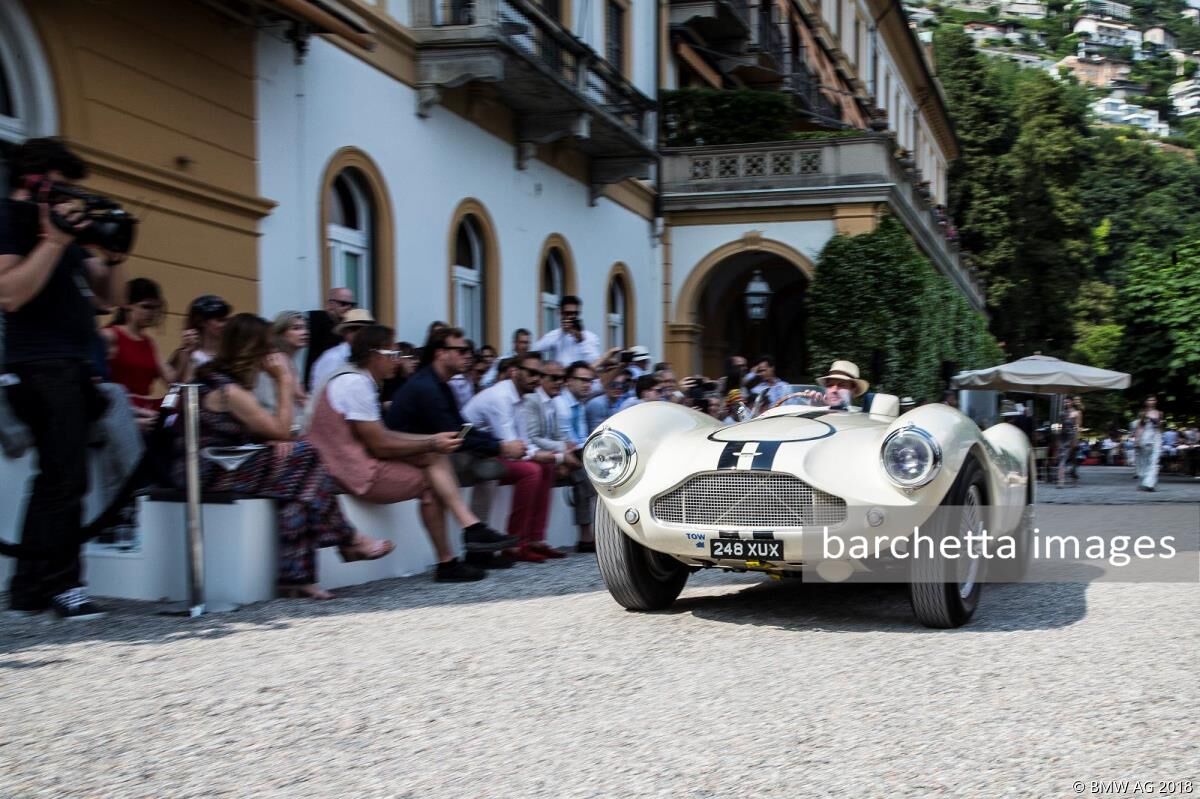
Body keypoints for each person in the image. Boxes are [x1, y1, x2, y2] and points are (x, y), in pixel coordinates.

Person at [177, 314, 395, 599]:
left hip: (219, 460)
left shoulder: (220, 377)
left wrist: (272, 438)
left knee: (299, 481)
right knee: (305, 458)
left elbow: (258, 431)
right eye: (268, 348)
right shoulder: (228, 388)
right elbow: (281, 429)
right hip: (207, 469)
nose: (273, 355)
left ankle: (297, 578)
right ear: (252, 349)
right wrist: (283, 380)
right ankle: (347, 539)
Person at [0, 137, 127, 619]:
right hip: (40, 365)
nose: (71, 196)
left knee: (54, 479)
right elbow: (10, 294)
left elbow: (108, 296)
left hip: (73, 367)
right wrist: (53, 239)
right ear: (36, 181)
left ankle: (29, 588)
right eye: (62, 185)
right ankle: (64, 585)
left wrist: (116, 251)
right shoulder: (10, 221)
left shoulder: (63, 235)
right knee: (66, 480)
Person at [307, 324, 517, 582]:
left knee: (434, 454)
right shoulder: (356, 384)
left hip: (347, 460)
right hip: (352, 469)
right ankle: (454, 551)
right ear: (375, 354)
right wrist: (431, 443)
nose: (398, 361)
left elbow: (383, 437)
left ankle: (466, 535)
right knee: (432, 480)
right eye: (393, 354)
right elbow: (380, 445)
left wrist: (431, 441)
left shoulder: (355, 379)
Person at [386, 328, 547, 563]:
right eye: (461, 350)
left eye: (468, 351)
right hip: (407, 454)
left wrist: (497, 445)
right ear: (441, 353)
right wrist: (501, 447)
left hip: (429, 451)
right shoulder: (427, 387)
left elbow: (462, 427)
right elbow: (455, 437)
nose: (468, 356)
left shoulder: (439, 384)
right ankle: (474, 534)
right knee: (480, 463)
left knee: (488, 467)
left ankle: (478, 546)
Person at [462, 351, 562, 562]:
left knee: (546, 467)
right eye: (531, 373)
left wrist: (548, 456)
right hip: (470, 455)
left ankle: (534, 539)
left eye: (539, 374)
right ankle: (515, 543)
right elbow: (510, 445)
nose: (536, 379)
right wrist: (541, 455)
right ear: (514, 372)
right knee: (532, 471)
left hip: (490, 452)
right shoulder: (501, 397)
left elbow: (522, 441)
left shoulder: (520, 397)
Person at [102, 277, 193, 412]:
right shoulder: (109, 335)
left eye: (155, 308)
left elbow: (173, 383)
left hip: (145, 407)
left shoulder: (149, 343)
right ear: (127, 305)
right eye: (145, 307)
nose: (151, 313)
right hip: (116, 407)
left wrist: (186, 350)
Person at [557, 360, 598, 551]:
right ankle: (585, 536)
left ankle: (595, 534)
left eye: (589, 380)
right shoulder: (561, 403)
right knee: (584, 476)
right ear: (568, 381)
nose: (587, 384)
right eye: (582, 380)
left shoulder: (579, 404)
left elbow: (580, 438)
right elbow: (564, 437)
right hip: (557, 452)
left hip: (574, 451)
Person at [254, 311, 310, 432]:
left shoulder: (292, 362)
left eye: (305, 328)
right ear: (281, 333)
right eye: (296, 328)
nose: (304, 332)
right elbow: (268, 405)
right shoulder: (273, 362)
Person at [309, 307, 374, 392]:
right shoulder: (333, 358)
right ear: (345, 333)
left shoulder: (372, 356)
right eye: (354, 329)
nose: (360, 334)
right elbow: (322, 391)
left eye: (365, 330)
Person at [304, 287, 355, 389]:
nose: (348, 308)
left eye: (352, 305)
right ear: (330, 304)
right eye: (343, 303)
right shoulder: (316, 320)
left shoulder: (348, 328)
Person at [530, 295, 601, 367]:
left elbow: (594, 362)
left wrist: (581, 340)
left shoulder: (591, 337)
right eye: (568, 313)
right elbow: (535, 350)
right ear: (560, 313)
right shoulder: (554, 335)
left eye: (575, 313)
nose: (571, 317)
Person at [182, 294, 231, 370]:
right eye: (220, 320)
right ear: (201, 322)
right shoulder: (190, 355)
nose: (225, 324)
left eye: (227, 320)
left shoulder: (230, 355)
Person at [800, 360, 870, 409]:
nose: (834, 390)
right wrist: (814, 410)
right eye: (830, 385)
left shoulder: (862, 417)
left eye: (841, 385)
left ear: (853, 389)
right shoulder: (816, 408)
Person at [1134, 394, 1163, 492]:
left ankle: (1150, 484)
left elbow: (1159, 426)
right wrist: (1137, 440)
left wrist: (1156, 422)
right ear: (1146, 402)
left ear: (1156, 402)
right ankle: (1144, 482)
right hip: (1145, 437)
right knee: (1145, 461)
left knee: (1155, 460)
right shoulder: (1142, 413)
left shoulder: (1159, 413)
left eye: (1153, 400)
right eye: (1149, 400)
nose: (1151, 402)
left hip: (1156, 437)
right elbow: (1139, 427)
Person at [1056, 397, 1080, 488]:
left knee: (1073, 461)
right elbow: (1059, 426)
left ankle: (1074, 479)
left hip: (1072, 437)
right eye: (1064, 402)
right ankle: (1060, 481)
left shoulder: (1075, 413)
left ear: (1071, 402)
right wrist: (1058, 439)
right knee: (1062, 459)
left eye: (1067, 402)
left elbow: (1077, 427)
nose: (1066, 404)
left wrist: (1076, 440)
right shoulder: (1061, 413)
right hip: (1063, 438)